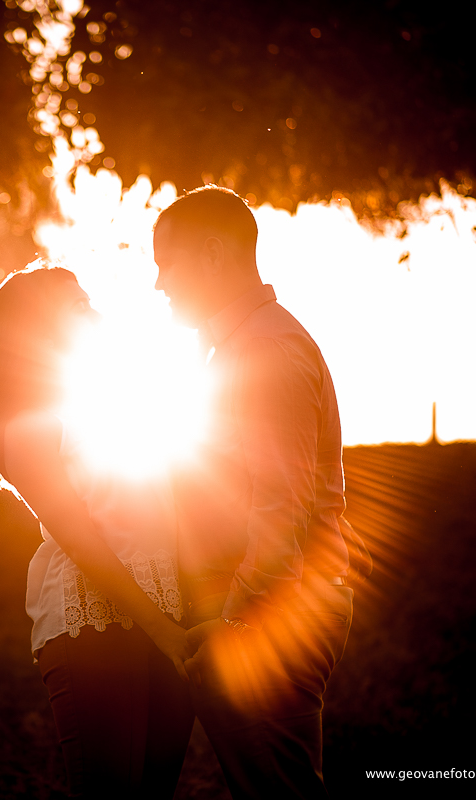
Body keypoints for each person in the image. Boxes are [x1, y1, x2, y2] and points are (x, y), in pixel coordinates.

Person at [0, 263, 194, 797]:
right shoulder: (28, 424)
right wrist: (161, 630)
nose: (96, 313)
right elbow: (79, 534)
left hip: (171, 622)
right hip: (92, 625)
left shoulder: (124, 401)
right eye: (77, 307)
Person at [152, 185, 356, 799]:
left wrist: (231, 623)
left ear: (213, 254)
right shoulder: (234, 346)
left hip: (266, 621)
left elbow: (280, 511)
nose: (158, 284)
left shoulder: (266, 350)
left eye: (166, 263)